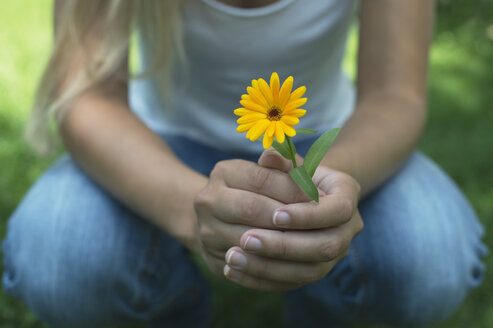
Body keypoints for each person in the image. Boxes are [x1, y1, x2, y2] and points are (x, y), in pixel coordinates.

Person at [2, 0, 487, 327]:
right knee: (60, 251)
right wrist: (191, 212)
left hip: (325, 145)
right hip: (153, 146)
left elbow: (395, 94)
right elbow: (86, 96)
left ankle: (318, 303)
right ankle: (174, 307)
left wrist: (325, 190)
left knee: (430, 252)